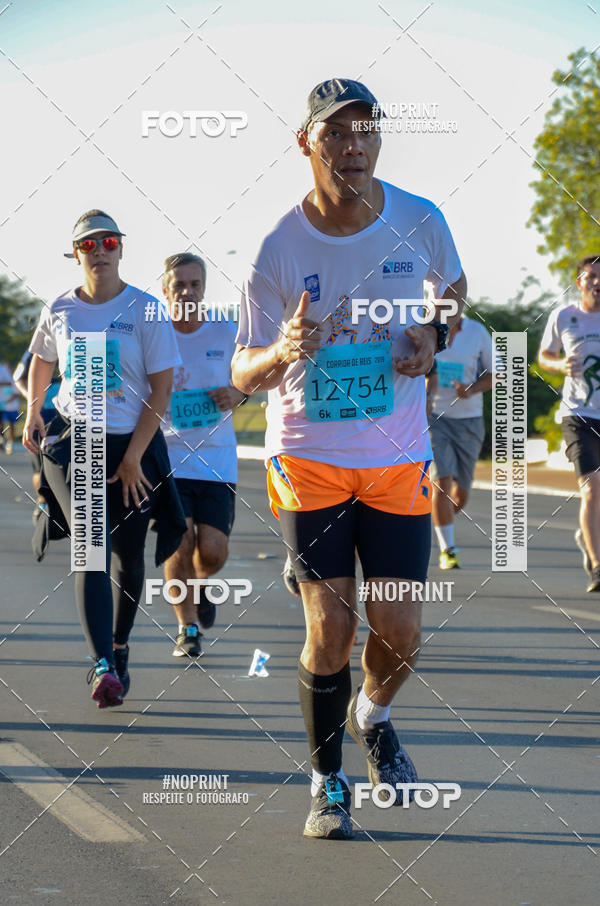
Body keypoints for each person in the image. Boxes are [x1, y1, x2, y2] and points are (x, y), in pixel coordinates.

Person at [232, 78, 466, 839]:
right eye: (335, 132)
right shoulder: (278, 246)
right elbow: (239, 373)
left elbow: (455, 292)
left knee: (399, 629)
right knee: (330, 628)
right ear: (307, 143)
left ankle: (374, 716)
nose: (353, 144)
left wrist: (435, 336)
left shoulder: (420, 220)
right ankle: (326, 781)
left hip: (398, 456)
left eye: (366, 129)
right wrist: (281, 349)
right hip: (310, 455)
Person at [23, 209, 186, 707]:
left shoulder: (146, 309)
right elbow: (42, 364)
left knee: (128, 557)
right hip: (79, 443)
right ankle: (102, 666)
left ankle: (118, 645)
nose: (100, 251)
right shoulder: (60, 309)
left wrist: (135, 457)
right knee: (89, 549)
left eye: (108, 242)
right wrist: (34, 409)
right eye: (89, 245)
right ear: (76, 254)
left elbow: (161, 391)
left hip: (133, 443)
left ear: (121, 248)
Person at [160, 252, 246, 657]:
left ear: (204, 288)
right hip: (167, 457)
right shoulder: (154, 334)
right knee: (179, 542)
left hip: (216, 459)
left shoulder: (224, 331)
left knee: (212, 550)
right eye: (179, 284)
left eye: (194, 284)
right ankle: (187, 627)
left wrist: (238, 394)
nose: (187, 292)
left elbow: (250, 378)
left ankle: (198, 584)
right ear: (165, 289)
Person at [538, 254, 600, 592]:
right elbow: (544, 356)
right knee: (591, 488)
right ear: (580, 283)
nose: (596, 282)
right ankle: (598, 566)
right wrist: (560, 366)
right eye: (590, 276)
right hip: (579, 414)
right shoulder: (564, 316)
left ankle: (591, 539)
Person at [427, 314, 493, 568]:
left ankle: (438, 519)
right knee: (441, 482)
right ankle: (448, 549)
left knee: (460, 496)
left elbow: (497, 373)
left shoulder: (477, 332)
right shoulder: (422, 329)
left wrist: (471, 389)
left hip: (469, 420)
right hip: (434, 418)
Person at [14, 350, 61, 518]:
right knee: (39, 466)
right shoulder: (34, 351)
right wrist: (33, 398)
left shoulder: (74, 342)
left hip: (65, 418)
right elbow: (17, 377)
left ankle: (62, 503)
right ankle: (42, 501)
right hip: (39, 419)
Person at [0, 362, 20, 453]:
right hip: (3, 407)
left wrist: (8, 401)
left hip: (12, 408)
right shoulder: (5, 381)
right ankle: (2, 441)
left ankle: (10, 443)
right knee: (2, 424)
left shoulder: (14, 381)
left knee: (12, 426)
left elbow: (16, 394)